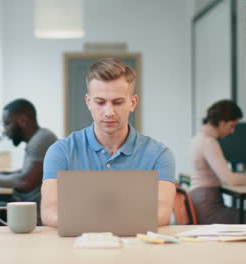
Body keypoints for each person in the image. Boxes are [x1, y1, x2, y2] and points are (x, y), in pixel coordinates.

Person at [40, 58, 176, 228]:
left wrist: (94, 222)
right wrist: (111, 224)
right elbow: (49, 213)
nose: (109, 112)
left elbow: (162, 213)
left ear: (132, 103)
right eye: (100, 102)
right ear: (88, 102)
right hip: (76, 250)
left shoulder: (159, 155)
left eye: (118, 102)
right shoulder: (61, 152)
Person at [0, 99, 58, 224]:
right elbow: (23, 173)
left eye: (7, 123)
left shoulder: (42, 139)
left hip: (31, 216)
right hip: (24, 208)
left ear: (21, 120)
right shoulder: (37, 139)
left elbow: (25, 181)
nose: (5, 130)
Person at [190, 99, 246, 224]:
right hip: (209, 209)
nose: (232, 131)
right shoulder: (208, 142)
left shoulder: (198, 138)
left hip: (201, 202)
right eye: (232, 126)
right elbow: (229, 179)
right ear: (221, 123)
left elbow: (223, 177)